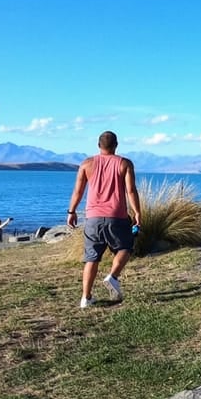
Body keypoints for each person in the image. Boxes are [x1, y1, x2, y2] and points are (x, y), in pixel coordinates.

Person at [67, 131, 141, 309]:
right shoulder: (124, 163)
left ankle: (86, 298)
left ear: (98, 145)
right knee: (125, 247)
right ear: (116, 145)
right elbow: (131, 190)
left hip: (93, 218)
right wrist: (137, 212)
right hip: (117, 216)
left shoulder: (86, 164)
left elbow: (78, 191)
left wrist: (72, 211)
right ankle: (113, 277)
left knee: (91, 258)